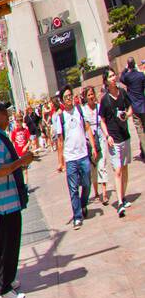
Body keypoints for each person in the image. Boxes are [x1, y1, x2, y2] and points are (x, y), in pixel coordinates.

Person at [0, 101, 34, 298]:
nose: (7, 116)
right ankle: (3, 289)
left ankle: (5, 282)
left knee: (6, 242)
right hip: (6, 202)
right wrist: (21, 161)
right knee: (8, 244)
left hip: (8, 200)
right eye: (4, 113)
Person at [52, 85, 97, 229]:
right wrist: (61, 162)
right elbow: (60, 141)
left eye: (70, 96)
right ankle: (77, 216)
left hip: (83, 154)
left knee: (87, 183)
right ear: (62, 101)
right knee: (73, 189)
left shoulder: (79, 110)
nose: (69, 99)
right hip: (70, 158)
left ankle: (83, 204)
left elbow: (87, 128)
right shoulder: (60, 117)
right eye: (65, 97)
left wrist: (94, 147)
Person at [99, 68, 133, 218]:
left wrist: (127, 115)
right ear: (106, 81)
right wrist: (107, 136)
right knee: (117, 170)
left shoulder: (122, 93)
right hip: (114, 139)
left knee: (124, 168)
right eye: (110, 76)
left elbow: (130, 108)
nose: (113, 78)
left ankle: (123, 197)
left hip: (125, 135)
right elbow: (102, 120)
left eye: (114, 75)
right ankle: (119, 202)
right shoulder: (105, 100)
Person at [83, 86, 105, 206]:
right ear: (85, 98)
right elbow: (85, 128)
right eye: (89, 95)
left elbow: (103, 121)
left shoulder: (99, 107)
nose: (91, 97)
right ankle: (96, 192)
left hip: (100, 138)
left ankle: (104, 192)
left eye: (92, 94)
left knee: (102, 165)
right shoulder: (83, 110)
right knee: (93, 168)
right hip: (90, 141)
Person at [121, 58, 145, 162]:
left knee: (140, 131)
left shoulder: (127, 77)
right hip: (143, 104)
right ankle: (142, 151)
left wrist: (125, 69)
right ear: (135, 64)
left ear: (128, 65)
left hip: (134, 107)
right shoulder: (141, 76)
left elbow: (121, 78)